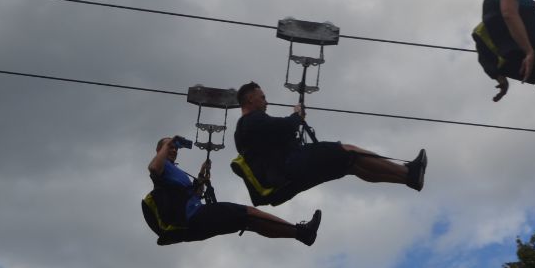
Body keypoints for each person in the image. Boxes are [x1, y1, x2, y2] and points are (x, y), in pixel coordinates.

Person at [233, 82, 427, 204]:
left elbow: (274, 141)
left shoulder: (242, 133)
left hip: (285, 178)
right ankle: (408, 173)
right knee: (348, 150)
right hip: (292, 166)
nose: (266, 102)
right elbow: (285, 127)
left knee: (351, 166)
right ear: (250, 99)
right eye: (262, 97)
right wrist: (297, 115)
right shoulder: (253, 120)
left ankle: (408, 179)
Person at [145, 136, 321, 245]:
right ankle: (302, 232)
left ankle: (300, 234)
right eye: (170, 147)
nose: (174, 149)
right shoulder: (161, 167)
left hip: (193, 221)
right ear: (160, 150)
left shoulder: (175, 172)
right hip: (193, 219)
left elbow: (194, 196)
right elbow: (153, 168)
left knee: (249, 221)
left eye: (175, 147)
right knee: (249, 213)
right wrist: (167, 142)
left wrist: (201, 176)